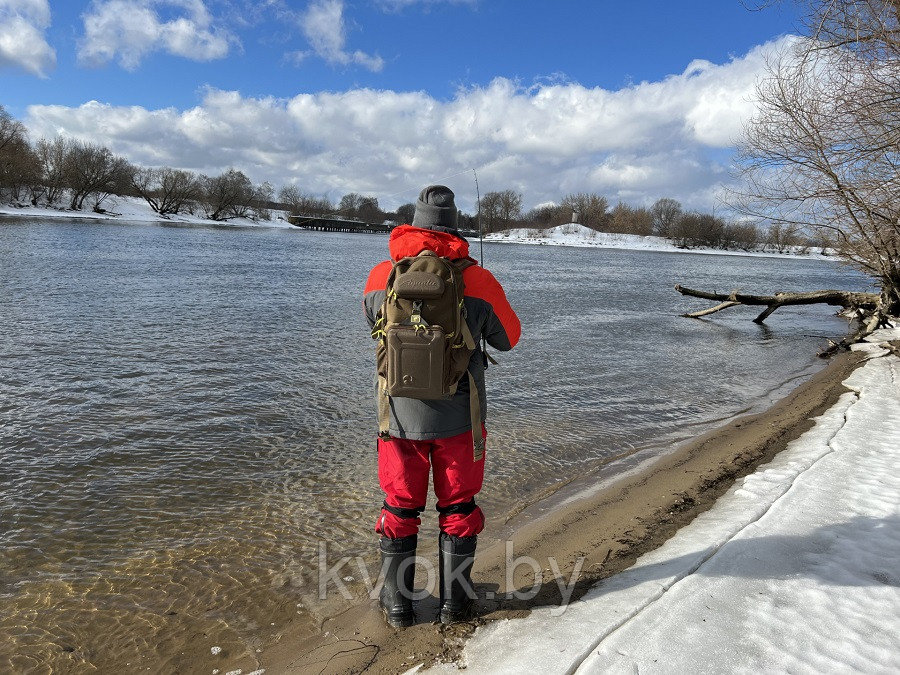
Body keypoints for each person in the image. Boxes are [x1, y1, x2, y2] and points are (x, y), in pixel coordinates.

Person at [363, 185, 521, 627]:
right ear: (455, 227)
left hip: (396, 418)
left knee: (400, 506)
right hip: (460, 421)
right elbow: (509, 340)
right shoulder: (478, 280)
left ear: (413, 223)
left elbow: (372, 327)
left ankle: (398, 607)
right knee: (459, 507)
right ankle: (455, 606)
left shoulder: (381, 275)